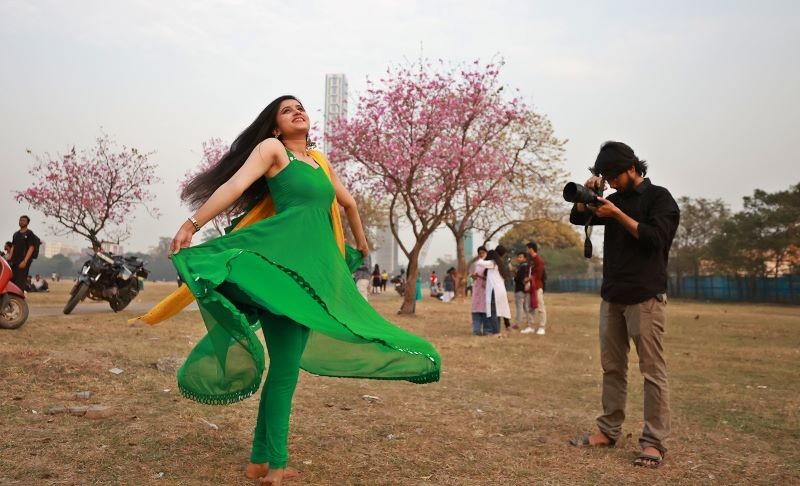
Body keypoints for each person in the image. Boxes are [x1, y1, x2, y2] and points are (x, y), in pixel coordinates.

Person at [145, 95, 440, 485]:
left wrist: (362, 243)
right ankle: (276, 468)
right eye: (287, 110)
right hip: (280, 273)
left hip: (311, 278)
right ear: (274, 126)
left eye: (300, 107)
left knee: (283, 373)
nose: (297, 111)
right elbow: (235, 185)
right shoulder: (273, 150)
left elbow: (348, 202)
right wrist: (191, 224)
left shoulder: (320, 162)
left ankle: (258, 462)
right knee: (284, 376)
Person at [568, 141, 679, 469]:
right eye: (606, 177)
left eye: (615, 175)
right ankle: (608, 430)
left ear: (633, 168)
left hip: (645, 296)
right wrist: (584, 199)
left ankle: (654, 442)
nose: (612, 181)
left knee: (652, 371)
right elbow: (578, 220)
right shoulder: (612, 199)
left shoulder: (660, 199)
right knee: (612, 367)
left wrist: (617, 213)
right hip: (612, 295)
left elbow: (655, 239)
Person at [475, 245, 512, 337]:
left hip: (494, 291)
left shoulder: (492, 263)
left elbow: (479, 263)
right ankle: (497, 330)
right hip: (501, 291)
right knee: (498, 311)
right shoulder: (500, 264)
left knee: (492, 312)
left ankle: (496, 332)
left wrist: (484, 256)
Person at [7, 216, 39, 292]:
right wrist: (9, 259)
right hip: (14, 262)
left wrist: (25, 261)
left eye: (24, 220)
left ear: (27, 223)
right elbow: (13, 247)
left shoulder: (29, 233)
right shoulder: (16, 234)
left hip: (23, 262)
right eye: (20, 220)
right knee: (12, 281)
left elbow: (31, 248)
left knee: (20, 282)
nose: (21, 222)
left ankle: (20, 301)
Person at [521, 242, 547, 335]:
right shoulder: (530, 260)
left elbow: (538, 275)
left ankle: (542, 327)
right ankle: (530, 326)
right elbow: (527, 272)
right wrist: (525, 281)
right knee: (529, 307)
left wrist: (529, 279)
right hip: (529, 287)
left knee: (540, 307)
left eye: (527, 249)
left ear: (531, 249)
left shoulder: (539, 260)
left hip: (536, 286)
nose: (526, 251)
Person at [469, 246, 489, 335]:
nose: (481, 255)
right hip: (477, 289)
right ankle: (476, 330)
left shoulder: (489, 263)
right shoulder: (478, 263)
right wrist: (474, 276)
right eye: (479, 253)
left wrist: (480, 276)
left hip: (485, 289)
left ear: (486, 252)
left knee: (485, 310)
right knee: (476, 310)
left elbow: (490, 277)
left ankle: (486, 330)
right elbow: (476, 276)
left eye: (482, 253)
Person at [512, 251, 533, 330]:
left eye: (520, 257)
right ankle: (529, 323)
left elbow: (518, 279)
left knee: (519, 307)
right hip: (526, 290)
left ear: (525, 258)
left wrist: (515, 275)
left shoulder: (522, 267)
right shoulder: (527, 267)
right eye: (518, 257)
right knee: (526, 307)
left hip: (520, 289)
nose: (519, 258)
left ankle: (517, 323)